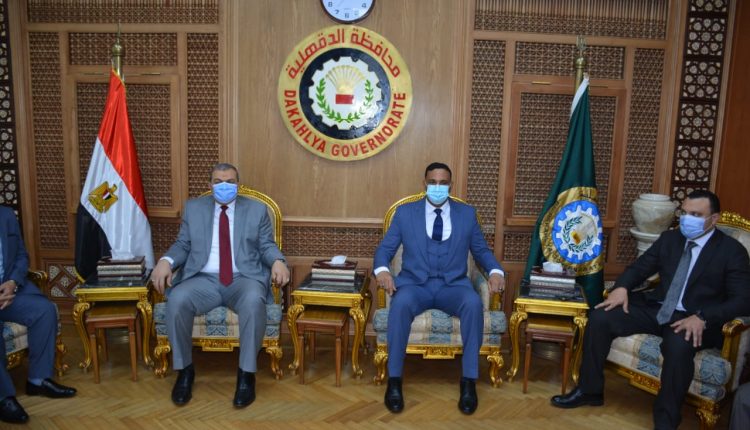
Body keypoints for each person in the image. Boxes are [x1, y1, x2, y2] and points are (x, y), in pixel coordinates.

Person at [550, 190, 750, 430]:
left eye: (696, 215)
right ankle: (589, 390)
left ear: (714, 219)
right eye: (684, 213)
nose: (687, 219)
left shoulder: (732, 251)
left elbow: (743, 300)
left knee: (677, 345)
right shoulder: (670, 239)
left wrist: (703, 317)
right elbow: (639, 268)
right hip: (658, 308)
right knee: (600, 317)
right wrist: (622, 287)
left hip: (694, 319)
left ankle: (666, 421)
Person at [150, 163, 290, 408]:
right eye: (218, 181)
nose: (224, 186)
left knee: (253, 301)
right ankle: (184, 371)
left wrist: (278, 261)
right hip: (203, 279)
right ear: (210, 185)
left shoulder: (256, 210)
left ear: (238, 184)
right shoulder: (193, 208)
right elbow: (183, 244)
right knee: (177, 300)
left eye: (229, 182)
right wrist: (166, 261)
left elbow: (266, 245)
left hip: (243, 278)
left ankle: (246, 376)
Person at [373, 162, 505, 415]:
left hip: (452, 285)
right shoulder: (405, 213)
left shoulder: (467, 214)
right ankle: (394, 381)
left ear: (450, 185)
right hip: (415, 284)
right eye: (432, 182)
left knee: (473, 303)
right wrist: (382, 271)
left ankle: (468, 383)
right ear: (424, 184)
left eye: (443, 183)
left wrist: (496, 272)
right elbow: (385, 249)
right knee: (399, 305)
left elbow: (481, 250)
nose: (437, 187)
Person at [0, 205, 76, 424]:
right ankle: (4, 397)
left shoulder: (6, 215)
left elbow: (21, 255)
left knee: (44, 310)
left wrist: (12, 283)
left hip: (9, 292)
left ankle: (38, 380)